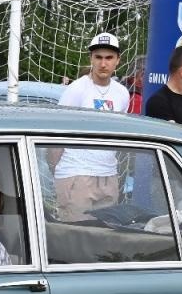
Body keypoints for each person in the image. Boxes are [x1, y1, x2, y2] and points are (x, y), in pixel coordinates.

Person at [51, 32, 130, 219]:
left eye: (109, 58)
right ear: (91, 59)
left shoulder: (122, 93)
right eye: (99, 57)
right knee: (75, 237)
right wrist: (58, 172)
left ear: (118, 60)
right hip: (76, 173)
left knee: (106, 241)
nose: (103, 64)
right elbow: (55, 133)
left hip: (108, 174)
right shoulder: (76, 90)